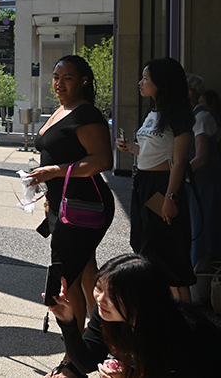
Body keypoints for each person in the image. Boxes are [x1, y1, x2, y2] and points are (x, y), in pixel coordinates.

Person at [27, 55, 114, 378]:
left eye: (67, 77)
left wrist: (55, 172)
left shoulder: (87, 113)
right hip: (65, 203)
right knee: (85, 270)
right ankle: (102, 339)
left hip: (84, 206)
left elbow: (102, 160)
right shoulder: (61, 111)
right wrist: (48, 190)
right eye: (55, 76)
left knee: (68, 282)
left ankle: (73, 363)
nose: (59, 83)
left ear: (83, 81)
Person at [47, 253, 221, 378]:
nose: (100, 298)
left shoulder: (182, 332)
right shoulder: (107, 312)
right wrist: (68, 322)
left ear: (140, 300)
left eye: (113, 295)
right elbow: (86, 363)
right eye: (99, 287)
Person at [116, 58, 196, 302]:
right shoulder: (153, 113)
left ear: (162, 83)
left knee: (164, 249)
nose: (140, 83)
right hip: (144, 183)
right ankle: (169, 311)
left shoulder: (178, 115)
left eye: (146, 79)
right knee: (145, 243)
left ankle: (184, 317)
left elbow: (179, 161)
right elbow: (152, 150)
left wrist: (170, 197)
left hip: (162, 187)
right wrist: (131, 148)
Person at [184, 74, 221, 302]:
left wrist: (180, 174)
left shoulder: (202, 117)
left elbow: (202, 157)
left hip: (203, 182)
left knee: (203, 229)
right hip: (195, 182)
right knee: (195, 228)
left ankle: (203, 290)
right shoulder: (193, 116)